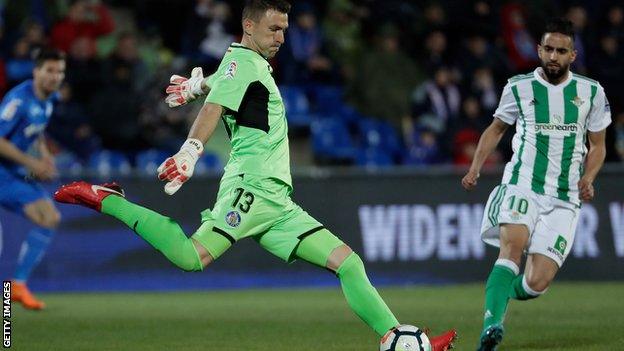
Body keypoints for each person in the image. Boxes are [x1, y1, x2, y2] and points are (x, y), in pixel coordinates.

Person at [54, 1, 457, 349]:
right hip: (251, 188)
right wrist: (191, 151)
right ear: (249, 26)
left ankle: (395, 339)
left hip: (279, 203)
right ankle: (110, 200)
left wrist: (196, 84)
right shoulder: (242, 60)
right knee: (191, 258)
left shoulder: (245, 65)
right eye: (273, 28)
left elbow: (222, 85)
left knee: (348, 264)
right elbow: (214, 108)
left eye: (284, 28)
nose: (282, 37)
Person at [461, 18, 611, 350]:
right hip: (522, 184)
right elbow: (496, 129)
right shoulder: (519, 86)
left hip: (565, 196)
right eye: (548, 49)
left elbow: (598, 145)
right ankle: (491, 325)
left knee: (536, 282)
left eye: (561, 50)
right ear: (539, 50)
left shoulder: (591, 92)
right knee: (512, 246)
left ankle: (503, 293)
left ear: (573, 54)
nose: (554, 56)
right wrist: (475, 167)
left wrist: (588, 177)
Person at [0, 49, 66, 310]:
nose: (55, 76)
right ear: (36, 71)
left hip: (11, 176)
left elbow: (36, 132)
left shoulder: (49, 100)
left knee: (50, 218)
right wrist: (32, 163)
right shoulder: (18, 100)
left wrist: (45, 154)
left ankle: (17, 286)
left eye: (59, 71)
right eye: (49, 70)